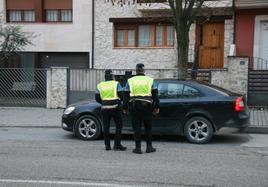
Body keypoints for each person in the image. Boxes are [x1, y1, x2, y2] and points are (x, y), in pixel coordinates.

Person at [123, 64, 159, 154]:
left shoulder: (130, 81)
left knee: (137, 128)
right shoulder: (150, 80)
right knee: (148, 128)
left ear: (136, 70)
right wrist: (157, 107)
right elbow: (155, 95)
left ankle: (138, 148)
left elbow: (126, 96)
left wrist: (125, 107)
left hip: (135, 107)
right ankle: (149, 147)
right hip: (147, 107)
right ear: (144, 70)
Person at [95, 69, 127, 151]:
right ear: (112, 76)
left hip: (105, 108)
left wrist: (104, 102)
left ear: (105, 77)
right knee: (119, 126)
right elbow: (121, 96)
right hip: (116, 108)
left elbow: (97, 98)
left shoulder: (100, 85)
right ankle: (117, 145)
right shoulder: (116, 84)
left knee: (106, 127)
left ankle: (107, 146)